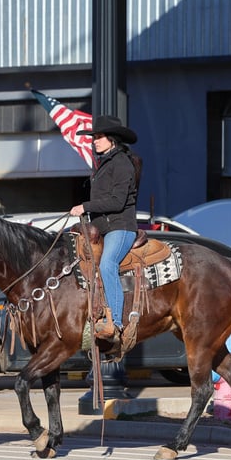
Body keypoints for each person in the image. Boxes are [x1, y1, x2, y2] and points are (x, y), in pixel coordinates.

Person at [70, 115, 141, 340]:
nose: (95, 141)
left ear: (113, 139)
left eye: (99, 137)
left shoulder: (121, 163)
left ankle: (115, 322)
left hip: (120, 227)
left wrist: (85, 206)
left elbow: (117, 202)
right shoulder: (105, 163)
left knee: (108, 265)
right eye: (94, 137)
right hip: (103, 228)